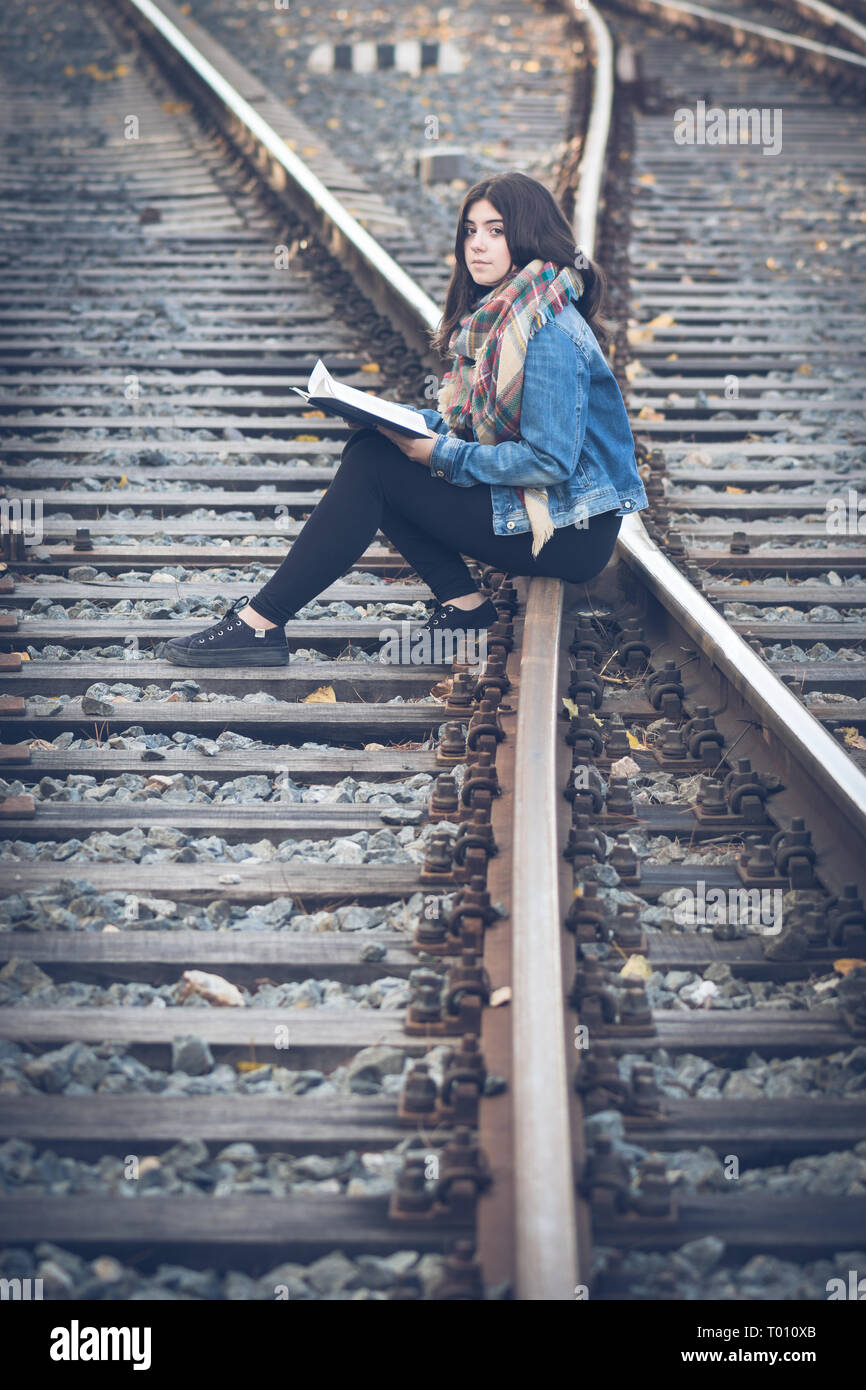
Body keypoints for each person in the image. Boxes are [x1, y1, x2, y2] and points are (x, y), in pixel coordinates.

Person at [163, 170, 647, 668]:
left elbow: (549, 462)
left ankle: (261, 624)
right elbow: (472, 429)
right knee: (377, 448)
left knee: (376, 469)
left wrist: (438, 452)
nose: (476, 246)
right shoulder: (508, 316)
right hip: (548, 511)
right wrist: (394, 422)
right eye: (470, 230)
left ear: (529, 236)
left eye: (496, 231)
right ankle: (461, 607)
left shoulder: (544, 330)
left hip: (570, 531)